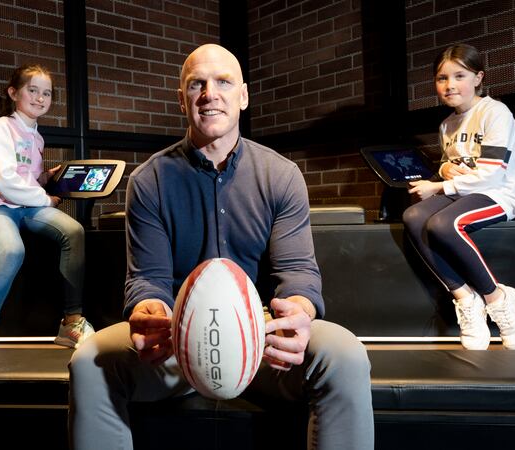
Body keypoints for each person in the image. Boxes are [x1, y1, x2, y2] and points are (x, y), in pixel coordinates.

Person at [68, 44, 373, 450]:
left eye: (223, 82)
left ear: (243, 96)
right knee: (89, 360)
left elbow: (298, 274)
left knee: (346, 355)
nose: (210, 93)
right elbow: (147, 280)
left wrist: (298, 312)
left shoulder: (281, 175)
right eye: (197, 84)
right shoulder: (149, 181)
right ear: (183, 99)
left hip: (262, 342)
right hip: (177, 341)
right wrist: (148, 311)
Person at [403, 43, 515, 350]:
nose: (450, 85)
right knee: (414, 216)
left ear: (478, 78)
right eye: (442, 78)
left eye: (459, 76)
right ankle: (465, 297)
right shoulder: (447, 124)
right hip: (466, 194)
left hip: (497, 195)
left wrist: (438, 186)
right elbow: (458, 166)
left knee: (443, 225)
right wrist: (445, 169)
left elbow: (490, 174)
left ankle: (498, 299)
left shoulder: (495, 112)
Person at [0, 64, 94, 349]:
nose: (39, 98)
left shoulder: (36, 136)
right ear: (13, 93)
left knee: (74, 231)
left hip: (25, 206)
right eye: (32, 90)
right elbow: (2, 180)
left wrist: (47, 177)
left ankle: (71, 323)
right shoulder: (0, 128)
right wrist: (46, 199)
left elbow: (26, 177)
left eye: (46, 93)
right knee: (11, 249)